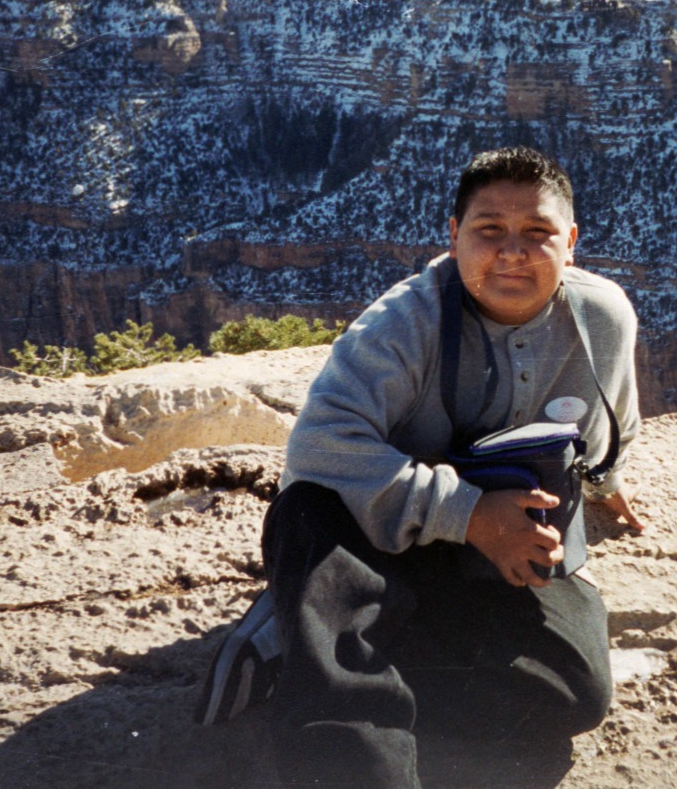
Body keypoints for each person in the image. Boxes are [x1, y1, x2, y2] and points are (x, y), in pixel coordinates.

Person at [265, 146, 644, 788]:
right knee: (307, 514)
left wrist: (604, 488)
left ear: (571, 242)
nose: (513, 252)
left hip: (481, 554)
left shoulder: (602, 317)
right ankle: (351, 738)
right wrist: (468, 514)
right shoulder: (401, 324)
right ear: (454, 236)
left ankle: (323, 658)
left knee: (572, 692)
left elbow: (613, 427)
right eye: (489, 231)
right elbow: (318, 447)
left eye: (538, 233)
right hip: (367, 532)